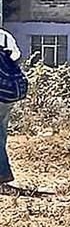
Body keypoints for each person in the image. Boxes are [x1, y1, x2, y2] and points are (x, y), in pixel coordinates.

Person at [0, 27, 22, 191]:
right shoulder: (5, 36)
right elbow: (17, 58)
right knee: (1, 133)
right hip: (9, 94)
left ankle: (3, 174)